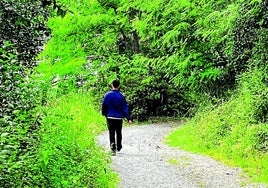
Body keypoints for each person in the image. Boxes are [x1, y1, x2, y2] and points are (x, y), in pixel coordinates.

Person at [102, 79, 131, 155]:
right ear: (119, 86)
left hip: (110, 117)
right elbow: (125, 108)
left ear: (112, 85)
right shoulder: (121, 96)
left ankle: (113, 148)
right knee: (119, 132)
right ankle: (119, 146)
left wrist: (104, 114)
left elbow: (104, 105)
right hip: (119, 118)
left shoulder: (107, 95)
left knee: (111, 132)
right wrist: (128, 118)